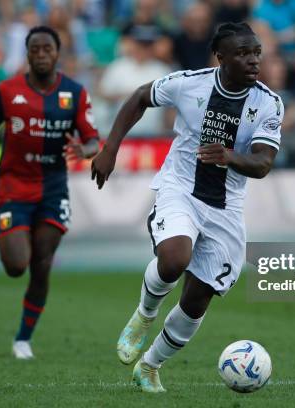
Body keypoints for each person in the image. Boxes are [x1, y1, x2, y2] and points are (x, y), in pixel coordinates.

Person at [91, 22, 283, 393]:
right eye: (243, 53)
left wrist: (229, 156)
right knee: (175, 259)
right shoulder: (189, 82)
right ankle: (145, 314)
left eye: (256, 52)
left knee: (197, 301)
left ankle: (149, 366)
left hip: (225, 208)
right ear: (221, 57)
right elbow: (139, 98)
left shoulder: (268, 103)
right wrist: (110, 148)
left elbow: (263, 163)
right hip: (180, 188)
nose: (253, 60)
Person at [0, 26, 99, 359]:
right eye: (35, 49)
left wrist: (86, 150)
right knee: (17, 265)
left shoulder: (74, 93)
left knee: (41, 265)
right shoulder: (6, 91)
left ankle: (23, 339)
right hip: (13, 188)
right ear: (27, 54)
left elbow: (92, 138)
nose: (42, 54)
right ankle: (18, 235)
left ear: (58, 53)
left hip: (52, 190)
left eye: (48, 48)